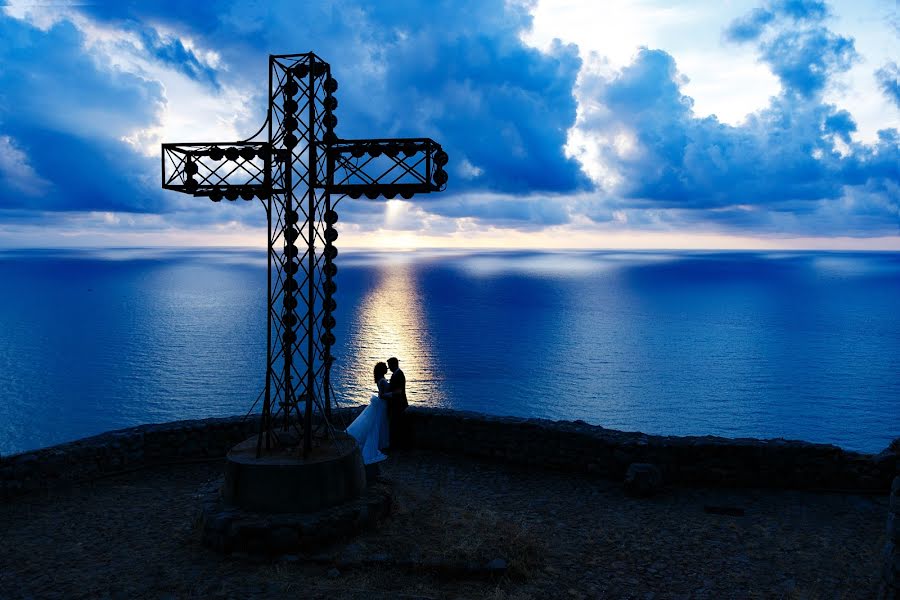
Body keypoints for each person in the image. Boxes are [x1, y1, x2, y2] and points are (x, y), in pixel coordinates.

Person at [346, 362, 390, 465]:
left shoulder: (379, 380)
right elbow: (382, 395)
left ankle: (380, 444)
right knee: (378, 425)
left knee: (377, 425)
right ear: (382, 370)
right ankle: (379, 445)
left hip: (381, 404)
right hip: (382, 404)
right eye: (385, 368)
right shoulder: (382, 381)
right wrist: (391, 394)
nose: (387, 369)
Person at [386, 356, 409, 450]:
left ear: (394, 365)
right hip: (397, 404)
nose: (389, 368)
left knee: (397, 425)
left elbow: (399, 391)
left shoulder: (399, 375)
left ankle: (397, 446)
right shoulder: (396, 374)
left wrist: (388, 394)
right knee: (396, 425)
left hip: (399, 404)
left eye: (389, 366)